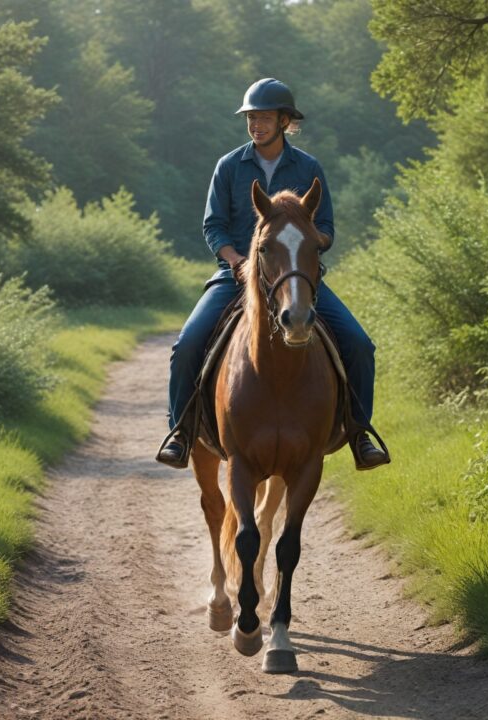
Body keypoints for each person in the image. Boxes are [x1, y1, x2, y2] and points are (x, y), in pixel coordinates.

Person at [156, 78, 389, 471]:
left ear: (284, 121)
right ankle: (180, 432)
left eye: (264, 117)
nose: (256, 124)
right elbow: (214, 227)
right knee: (187, 345)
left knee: (359, 345)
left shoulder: (309, 167)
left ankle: (359, 433)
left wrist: (306, 242)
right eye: (251, 117)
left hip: (294, 279)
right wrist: (237, 261)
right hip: (236, 276)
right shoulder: (229, 166)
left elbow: (326, 228)